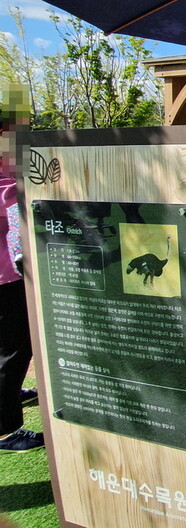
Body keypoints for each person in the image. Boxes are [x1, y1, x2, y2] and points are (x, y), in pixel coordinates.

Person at [0, 107, 43, 453]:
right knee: (14, 347)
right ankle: (6, 430)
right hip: (4, 276)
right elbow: (11, 199)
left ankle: (10, 396)